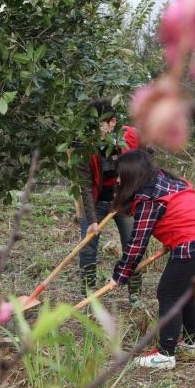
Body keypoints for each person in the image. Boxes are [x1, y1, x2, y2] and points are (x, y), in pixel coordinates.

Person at [109, 150, 195, 369]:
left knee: (168, 293)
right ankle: (191, 344)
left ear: (132, 175)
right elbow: (185, 212)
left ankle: (165, 355)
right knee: (187, 292)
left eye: (119, 175)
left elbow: (137, 244)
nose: (116, 180)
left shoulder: (148, 198)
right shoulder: (170, 181)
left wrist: (120, 275)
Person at [77, 98, 142, 305]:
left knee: (133, 245)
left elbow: (146, 158)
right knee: (87, 248)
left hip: (124, 203)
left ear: (112, 122)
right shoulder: (86, 147)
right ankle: (89, 297)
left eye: (101, 124)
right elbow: (85, 184)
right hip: (97, 202)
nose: (96, 129)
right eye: (93, 125)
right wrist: (93, 218)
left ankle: (135, 295)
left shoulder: (129, 137)